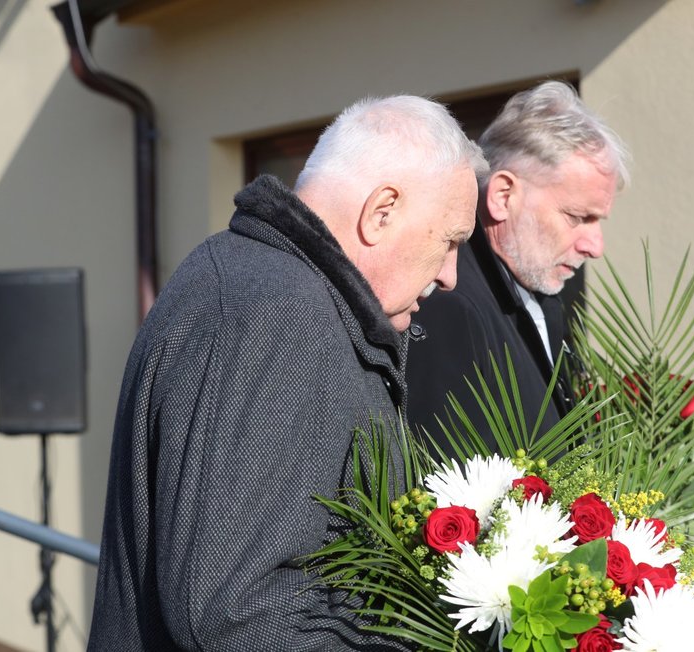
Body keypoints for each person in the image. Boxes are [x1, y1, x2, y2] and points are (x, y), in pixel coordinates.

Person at [87, 95, 485, 651]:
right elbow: (234, 612)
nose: (450, 275)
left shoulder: (274, 288)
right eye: (450, 241)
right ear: (382, 211)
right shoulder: (278, 311)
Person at [405, 81, 628, 452]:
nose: (595, 246)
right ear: (503, 196)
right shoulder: (449, 305)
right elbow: (445, 498)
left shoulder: (535, 293)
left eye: (598, 220)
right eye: (577, 217)